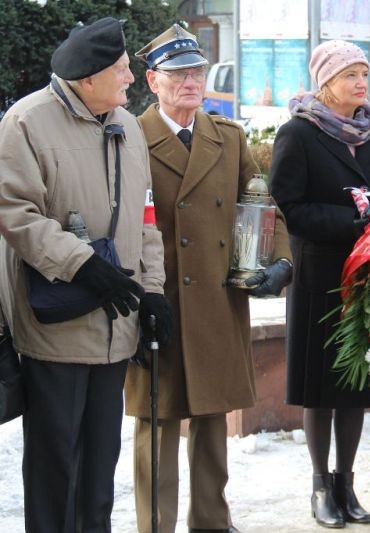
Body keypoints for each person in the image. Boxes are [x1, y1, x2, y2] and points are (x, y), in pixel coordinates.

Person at [0, 18, 169, 531]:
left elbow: (145, 216)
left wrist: (154, 294)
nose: (131, 80)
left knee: (100, 470)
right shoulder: (25, 122)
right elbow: (15, 213)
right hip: (56, 325)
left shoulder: (126, 125)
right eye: (121, 71)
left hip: (116, 326)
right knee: (56, 469)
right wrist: (82, 264)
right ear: (88, 78)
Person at [123, 25, 293, 533]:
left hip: (219, 301)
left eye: (196, 72)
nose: (190, 82)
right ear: (153, 81)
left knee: (213, 418)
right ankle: (156, 526)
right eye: (178, 74)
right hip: (162, 299)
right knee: (158, 424)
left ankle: (212, 523)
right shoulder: (130, 137)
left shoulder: (228, 136)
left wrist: (280, 261)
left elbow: (262, 205)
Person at [270, 40, 370, 528]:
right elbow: (292, 206)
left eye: (363, 74)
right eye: (350, 75)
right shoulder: (298, 134)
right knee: (321, 388)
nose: (360, 84)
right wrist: (353, 220)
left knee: (357, 386)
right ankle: (320, 486)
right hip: (321, 275)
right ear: (326, 81)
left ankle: (347, 483)